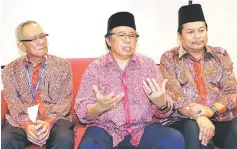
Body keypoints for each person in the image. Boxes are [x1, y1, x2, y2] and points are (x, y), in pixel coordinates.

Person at [75, 11, 185, 149]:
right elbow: (81, 110)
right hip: (105, 130)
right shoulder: (95, 68)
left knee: (174, 139)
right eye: (121, 35)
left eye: (132, 36)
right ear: (108, 40)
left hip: (142, 128)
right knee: (88, 146)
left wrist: (161, 103)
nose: (128, 39)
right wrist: (98, 108)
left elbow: (165, 110)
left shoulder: (148, 65)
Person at [160, 3, 237, 149]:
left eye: (201, 30)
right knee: (195, 131)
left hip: (220, 118)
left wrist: (210, 110)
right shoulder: (169, 58)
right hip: (185, 119)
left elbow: (231, 91)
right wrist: (199, 116)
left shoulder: (221, 55)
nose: (197, 36)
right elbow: (175, 97)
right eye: (190, 32)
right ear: (180, 35)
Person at [1, 20, 75, 149]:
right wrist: (27, 125)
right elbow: (13, 103)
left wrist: (48, 122)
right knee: (5, 140)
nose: (41, 41)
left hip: (54, 119)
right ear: (21, 46)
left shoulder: (62, 66)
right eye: (33, 39)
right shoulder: (10, 70)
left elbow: (64, 101)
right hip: (21, 121)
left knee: (64, 138)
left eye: (42, 36)